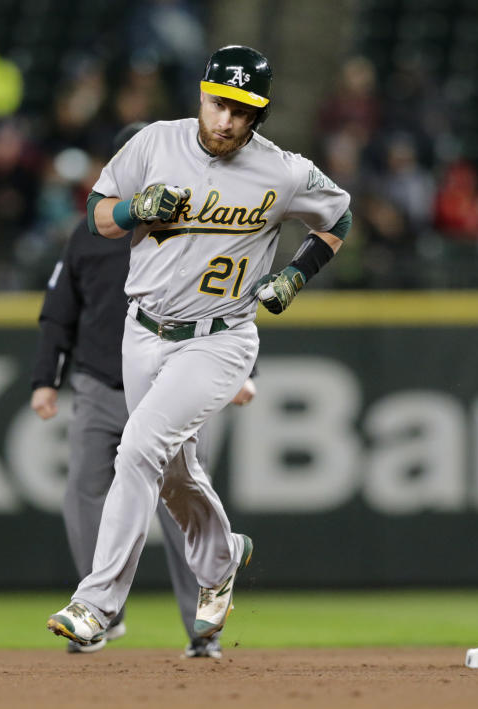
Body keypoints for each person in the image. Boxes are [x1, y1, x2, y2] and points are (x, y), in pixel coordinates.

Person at [45, 45, 351, 649]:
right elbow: (96, 216)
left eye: (242, 111)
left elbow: (337, 217)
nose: (226, 121)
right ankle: (222, 556)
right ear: (201, 96)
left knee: (137, 449)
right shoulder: (155, 143)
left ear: (258, 115)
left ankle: (96, 604)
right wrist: (135, 208)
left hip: (220, 339)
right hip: (143, 331)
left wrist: (296, 274)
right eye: (219, 105)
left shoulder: (283, 170)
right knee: (172, 471)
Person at [32, 123, 255, 658]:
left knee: (176, 501)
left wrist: (241, 373)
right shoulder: (92, 230)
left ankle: (204, 630)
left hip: (166, 381)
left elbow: (226, 304)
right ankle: (101, 615)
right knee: (84, 498)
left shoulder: (200, 223)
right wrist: (46, 378)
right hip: (97, 385)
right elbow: (58, 314)